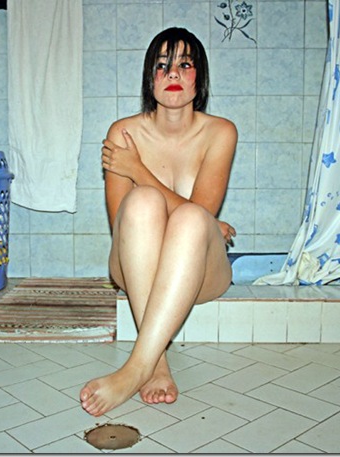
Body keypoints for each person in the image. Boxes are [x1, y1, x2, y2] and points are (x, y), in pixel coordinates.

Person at [79, 27, 238, 417]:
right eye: (162, 66)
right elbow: (122, 224)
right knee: (142, 202)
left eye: (185, 64)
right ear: (149, 78)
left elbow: (198, 213)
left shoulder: (220, 132)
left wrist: (137, 169)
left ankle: (135, 368)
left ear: (200, 77)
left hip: (199, 272)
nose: (173, 74)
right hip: (134, 264)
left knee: (190, 218)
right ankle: (156, 362)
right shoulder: (123, 133)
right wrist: (208, 221)